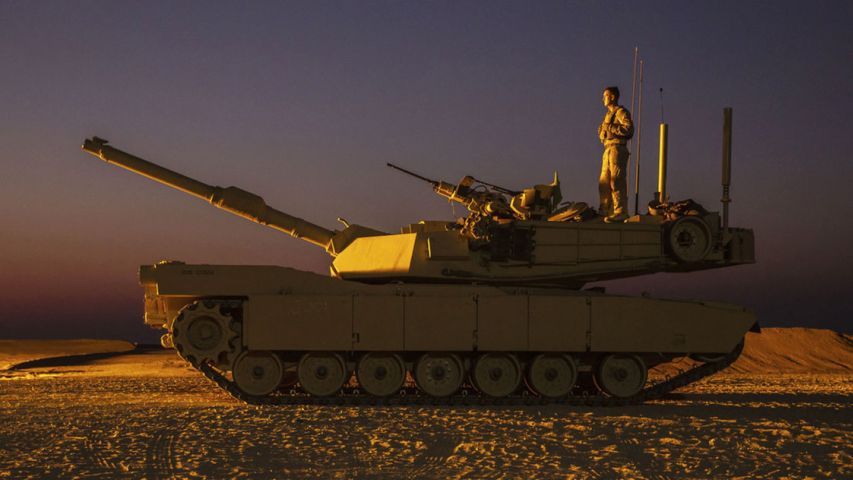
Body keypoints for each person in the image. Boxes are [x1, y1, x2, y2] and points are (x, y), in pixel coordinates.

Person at [597, 86, 634, 223]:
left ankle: (620, 211)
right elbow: (604, 136)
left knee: (616, 180)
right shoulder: (607, 115)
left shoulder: (620, 112)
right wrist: (602, 132)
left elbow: (629, 129)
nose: (603, 99)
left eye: (605, 95)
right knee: (604, 183)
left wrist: (610, 128)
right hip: (608, 149)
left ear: (612, 97)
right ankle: (604, 210)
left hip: (617, 148)